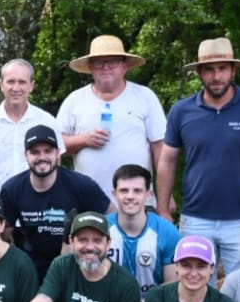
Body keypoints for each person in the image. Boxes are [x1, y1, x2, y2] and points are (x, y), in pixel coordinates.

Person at [155, 39, 240, 274]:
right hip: (195, 218)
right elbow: (167, 159)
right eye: (209, 69)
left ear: (233, 70)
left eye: (222, 68)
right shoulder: (182, 110)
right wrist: (162, 209)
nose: (216, 76)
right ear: (199, 73)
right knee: (195, 289)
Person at [55, 35, 166, 198]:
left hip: (137, 200)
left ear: (125, 66)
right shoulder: (75, 100)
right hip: (87, 200)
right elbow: (54, 145)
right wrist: (83, 140)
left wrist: (165, 197)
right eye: (99, 62)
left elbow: (161, 149)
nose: (106, 67)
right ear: (91, 67)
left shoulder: (144, 96)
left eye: (113, 62)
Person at [0, 124, 111, 282]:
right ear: (25, 155)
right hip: (30, 266)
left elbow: (112, 217)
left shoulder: (81, 185)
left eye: (48, 151)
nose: (42, 157)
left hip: (75, 265)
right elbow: (4, 231)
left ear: (58, 153)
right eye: (35, 152)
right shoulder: (12, 189)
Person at [0, 58, 58, 193]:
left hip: (36, 203)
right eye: (10, 81)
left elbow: (55, 163)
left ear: (32, 85)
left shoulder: (47, 121)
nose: (16, 88)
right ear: (1, 84)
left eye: (22, 82)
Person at [105, 164, 180, 299]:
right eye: (124, 191)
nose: (130, 196)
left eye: (137, 191)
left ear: (148, 194)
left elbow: (172, 283)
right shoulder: (101, 228)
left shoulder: (167, 232)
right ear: (114, 194)